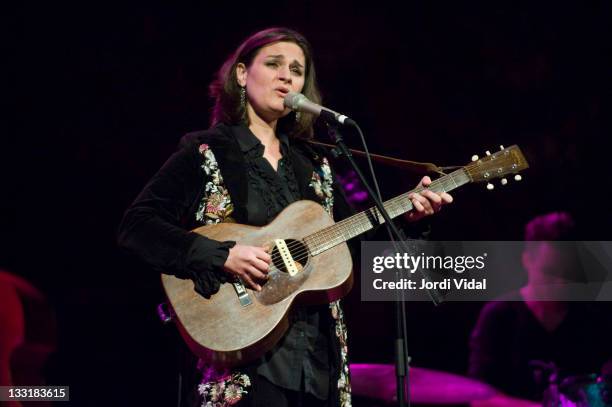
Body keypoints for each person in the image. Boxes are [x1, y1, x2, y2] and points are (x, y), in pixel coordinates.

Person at [118, 27, 452, 407]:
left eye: (296, 69)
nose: (287, 76)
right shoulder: (206, 151)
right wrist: (223, 255)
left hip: (317, 364)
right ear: (242, 74)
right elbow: (137, 225)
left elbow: (353, 247)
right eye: (274, 64)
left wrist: (411, 216)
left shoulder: (314, 166)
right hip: (243, 363)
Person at [468, 212, 612, 407]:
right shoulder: (500, 316)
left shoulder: (592, 318)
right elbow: (479, 398)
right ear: (527, 261)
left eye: (568, 272)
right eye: (551, 271)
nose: (561, 282)